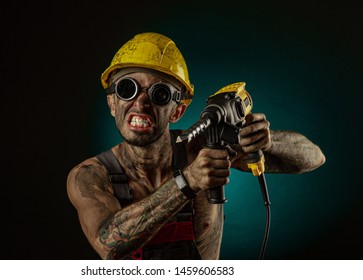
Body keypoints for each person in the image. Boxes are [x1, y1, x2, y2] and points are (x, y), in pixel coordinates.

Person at [66, 32, 326, 260]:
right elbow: (109, 246)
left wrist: (267, 140)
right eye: (127, 89)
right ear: (112, 103)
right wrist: (188, 181)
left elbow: (313, 157)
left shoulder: (203, 148)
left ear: (177, 111)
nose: (141, 103)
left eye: (159, 94)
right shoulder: (90, 176)